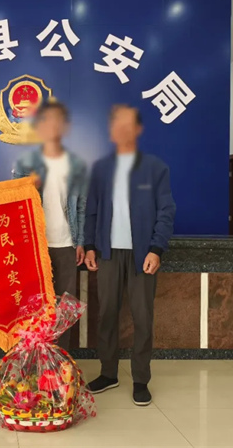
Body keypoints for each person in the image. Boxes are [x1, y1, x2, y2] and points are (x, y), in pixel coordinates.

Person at [84, 104, 175, 406]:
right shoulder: (101, 169)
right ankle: (108, 373)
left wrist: (156, 249)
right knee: (107, 315)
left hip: (142, 256)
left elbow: (166, 211)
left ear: (138, 130)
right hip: (108, 254)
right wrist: (90, 245)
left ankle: (140, 380)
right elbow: (92, 210)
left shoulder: (155, 168)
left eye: (128, 125)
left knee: (143, 317)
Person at [12, 99, 87, 351]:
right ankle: (34, 361)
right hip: (35, 247)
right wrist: (28, 188)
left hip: (66, 245)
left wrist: (80, 242)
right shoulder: (25, 164)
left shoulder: (76, 165)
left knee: (63, 310)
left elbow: (81, 207)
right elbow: (15, 206)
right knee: (34, 309)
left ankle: (59, 362)